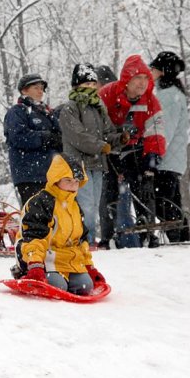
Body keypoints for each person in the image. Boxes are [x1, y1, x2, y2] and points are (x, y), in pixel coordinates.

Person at [99, 54, 166, 248]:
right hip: (109, 149)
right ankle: (108, 236)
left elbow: (156, 131)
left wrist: (152, 158)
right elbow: (97, 125)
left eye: (146, 78)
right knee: (109, 191)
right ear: (127, 80)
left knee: (145, 186)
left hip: (137, 149)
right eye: (138, 78)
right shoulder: (106, 94)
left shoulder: (151, 101)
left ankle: (148, 231)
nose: (142, 83)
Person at [14, 154, 106, 295]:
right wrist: (35, 265)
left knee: (85, 286)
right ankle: (25, 274)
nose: (73, 186)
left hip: (65, 260)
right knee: (58, 286)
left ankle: (62, 277)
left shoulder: (74, 206)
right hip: (40, 259)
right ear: (56, 179)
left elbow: (80, 240)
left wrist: (89, 267)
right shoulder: (41, 203)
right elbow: (33, 238)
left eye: (76, 182)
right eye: (68, 181)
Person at [59, 63, 129, 244]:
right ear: (76, 86)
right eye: (86, 85)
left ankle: (87, 239)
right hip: (77, 164)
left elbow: (108, 133)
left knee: (95, 205)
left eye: (92, 84)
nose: (90, 88)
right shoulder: (70, 108)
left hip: (98, 164)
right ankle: (85, 241)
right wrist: (101, 146)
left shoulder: (99, 107)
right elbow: (77, 136)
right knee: (85, 205)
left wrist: (119, 139)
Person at [150, 51, 190, 242]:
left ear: (163, 72)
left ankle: (177, 237)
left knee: (163, 202)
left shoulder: (168, 97)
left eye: (154, 69)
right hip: (172, 159)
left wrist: (153, 153)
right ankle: (180, 236)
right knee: (171, 200)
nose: (151, 72)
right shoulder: (172, 94)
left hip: (166, 158)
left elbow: (164, 130)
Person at [4, 73, 61, 206]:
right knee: (35, 216)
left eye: (42, 88)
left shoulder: (47, 113)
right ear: (24, 90)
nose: (40, 91)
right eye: (36, 87)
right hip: (30, 175)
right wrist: (45, 137)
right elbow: (18, 137)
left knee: (54, 216)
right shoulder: (17, 111)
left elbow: (59, 137)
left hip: (51, 174)